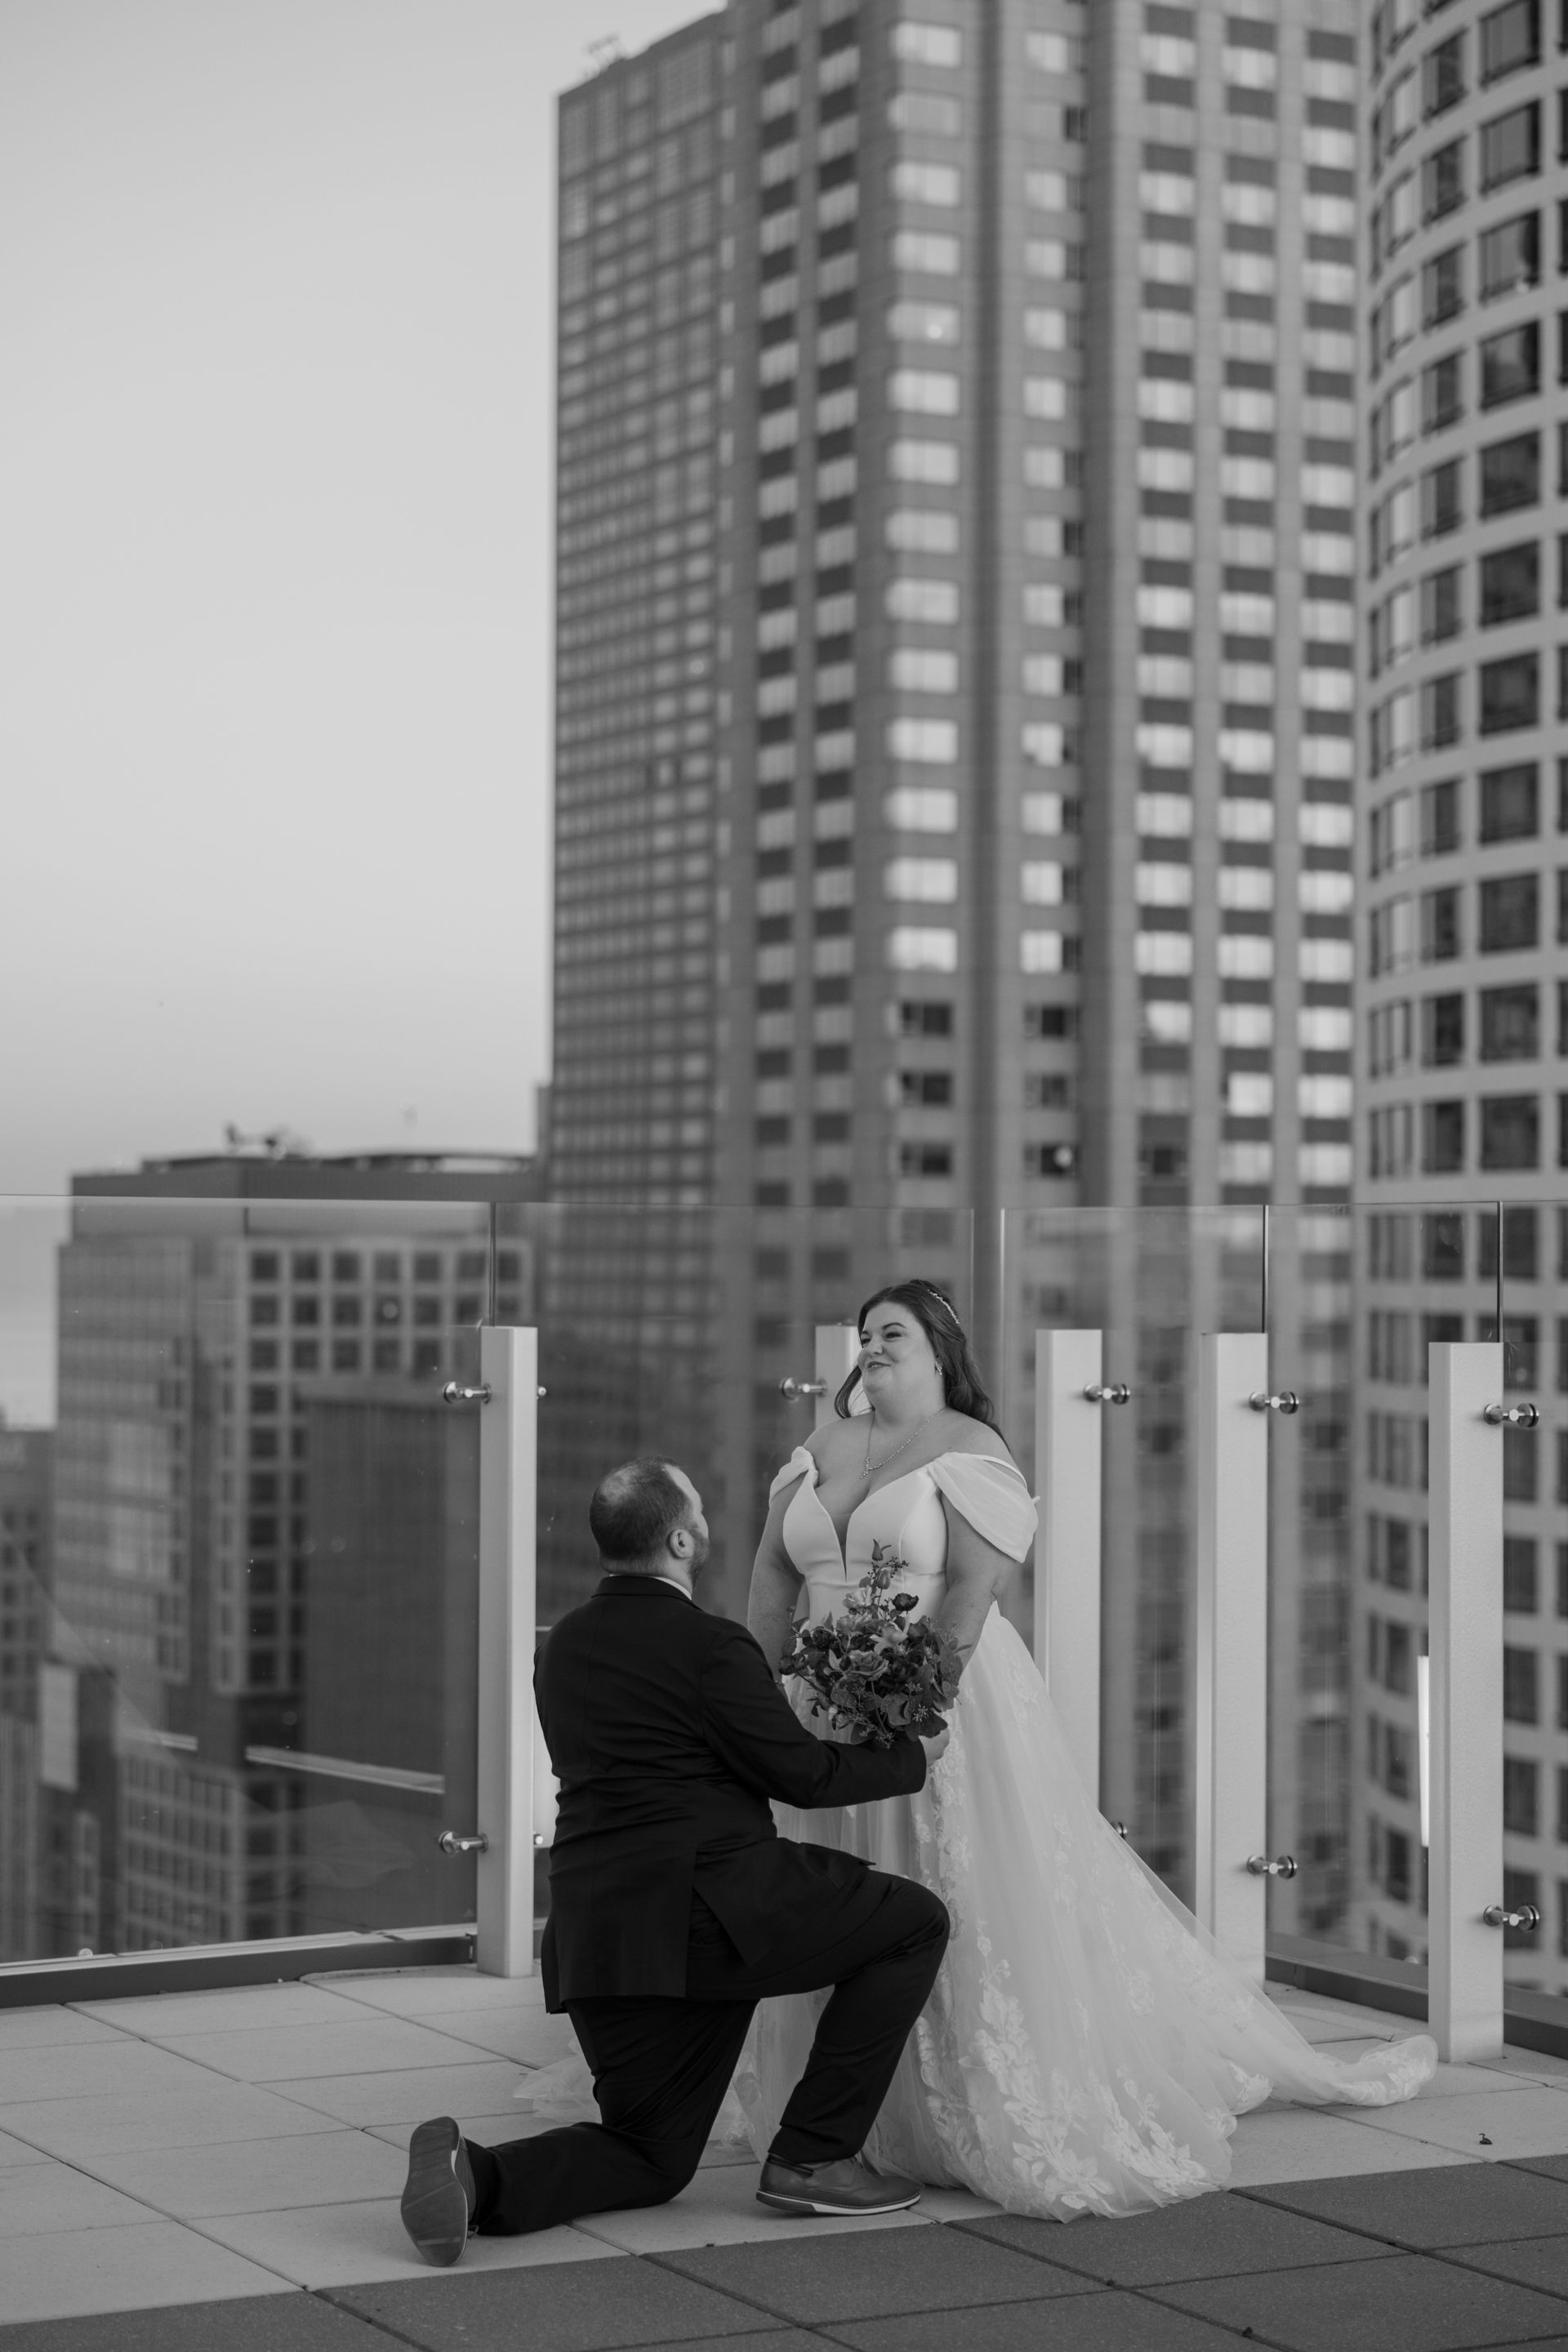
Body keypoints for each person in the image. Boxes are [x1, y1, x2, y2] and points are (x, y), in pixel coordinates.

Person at [734, 1277, 1437, 2219]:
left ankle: (946, 2099)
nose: (872, 1345)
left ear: (940, 1349)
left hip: (938, 1703)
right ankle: (834, 2109)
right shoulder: (821, 1446)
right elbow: (772, 1572)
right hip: (817, 1706)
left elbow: (972, 1594)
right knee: (833, 1887)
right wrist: (756, 1696)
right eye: (866, 1333)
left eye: (893, 1332)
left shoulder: (972, 1450)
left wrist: (914, 1706)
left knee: (950, 1888)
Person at [399, 1454, 951, 2264]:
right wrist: (912, 1756)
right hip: (715, 1913)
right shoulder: (710, 1645)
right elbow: (803, 1776)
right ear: (683, 1541)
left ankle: (474, 2178)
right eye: (699, 1514)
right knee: (913, 1923)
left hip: (600, 1934)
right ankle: (813, 2156)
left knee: (650, 2153)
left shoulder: (562, 1646)